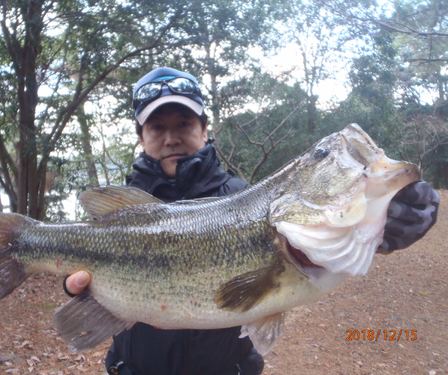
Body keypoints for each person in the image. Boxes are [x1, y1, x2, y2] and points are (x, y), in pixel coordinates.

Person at [64, 67, 440, 375]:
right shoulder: (119, 212)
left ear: (204, 128)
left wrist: (393, 219)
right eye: (157, 128)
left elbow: (338, 228)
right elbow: (80, 279)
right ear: (141, 136)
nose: (171, 138)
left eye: (183, 123)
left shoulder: (244, 195)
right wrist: (78, 288)